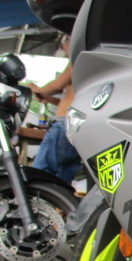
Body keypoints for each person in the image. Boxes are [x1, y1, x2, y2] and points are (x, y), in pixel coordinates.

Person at [27, 35, 81, 184]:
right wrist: (49, 99)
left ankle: (38, 197)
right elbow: (72, 99)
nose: (64, 51)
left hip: (64, 124)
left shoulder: (78, 57)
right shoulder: (88, 64)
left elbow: (57, 85)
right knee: (63, 178)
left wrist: (36, 89)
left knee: (41, 170)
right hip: (77, 124)